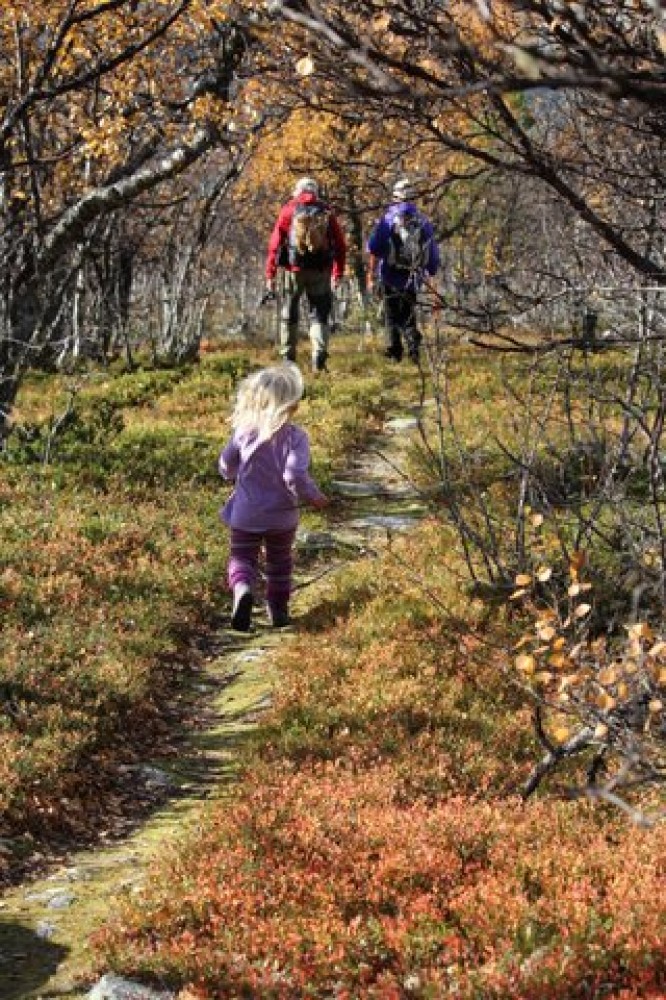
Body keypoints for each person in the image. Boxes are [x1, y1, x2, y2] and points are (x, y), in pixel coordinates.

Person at [218, 361, 328, 632]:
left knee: (242, 558)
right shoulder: (296, 437)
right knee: (280, 562)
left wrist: (233, 473)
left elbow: (225, 466)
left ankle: (242, 589)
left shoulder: (243, 432)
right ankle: (278, 610)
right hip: (282, 516)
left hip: (246, 513)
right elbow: (293, 475)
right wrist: (314, 497)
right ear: (291, 406)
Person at [265, 177, 347, 373]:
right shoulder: (326, 211)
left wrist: (270, 274)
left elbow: (275, 246)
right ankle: (318, 357)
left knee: (289, 312)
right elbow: (340, 244)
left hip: (293, 270)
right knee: (320, 314)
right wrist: (338, 272)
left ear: (297, 191)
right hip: (320, 270)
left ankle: (288, 357)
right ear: (315, 191)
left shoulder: (288, 210)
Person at [367, 178, 440, 363]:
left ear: (395, 197)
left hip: (389, 275)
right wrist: (431, 272)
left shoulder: (387, 219)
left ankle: (395, 351)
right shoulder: (423, 221)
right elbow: (432, 253)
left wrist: (371, 274)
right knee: (408, 313)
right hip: (412, 277)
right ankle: (414, 348)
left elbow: (374, 247)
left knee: (391, 314)